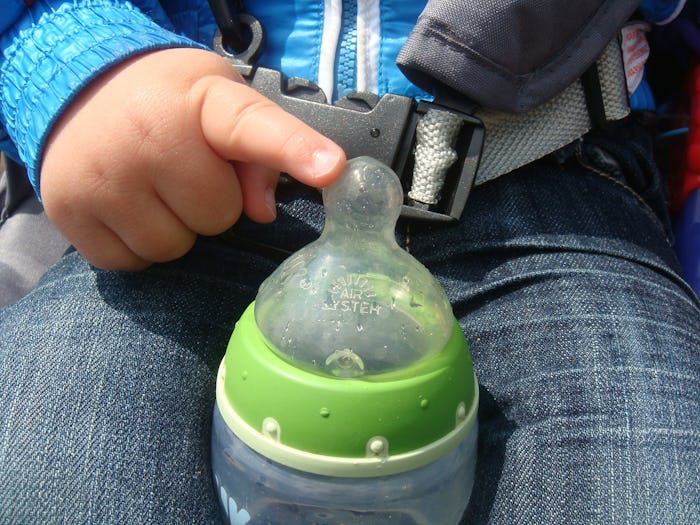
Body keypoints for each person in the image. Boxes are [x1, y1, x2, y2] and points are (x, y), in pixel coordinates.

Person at [0, 1, 698, 524]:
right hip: (192, 170)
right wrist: (76, 58)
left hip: (550, 172)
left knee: (658, 493)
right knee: (41, 477)